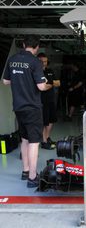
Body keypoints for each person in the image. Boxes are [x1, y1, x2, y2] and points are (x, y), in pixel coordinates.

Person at [3, 35, 52, 188]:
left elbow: (5, 81)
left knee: (24, 139)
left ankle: (25, 171)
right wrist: (46, 83)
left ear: (24, 45)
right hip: (32, 107)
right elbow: (41, 87)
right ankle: (32, 177)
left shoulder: (12, 59)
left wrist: (19, 79)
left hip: (18, 107)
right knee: (34, 142)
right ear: (36, 47)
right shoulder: (34, 61)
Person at [37, 53, 60, 150]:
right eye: (42, 61)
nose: (44, 63)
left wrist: (49, 82)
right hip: (41, 100)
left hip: (51, 99)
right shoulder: (35, 72)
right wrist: (51, 82)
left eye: (45, 61)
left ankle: (47, 137)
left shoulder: (50, 71)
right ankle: (44, 141)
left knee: (51, 120)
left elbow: (58, 83)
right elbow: (42, 86)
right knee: (44, 121)